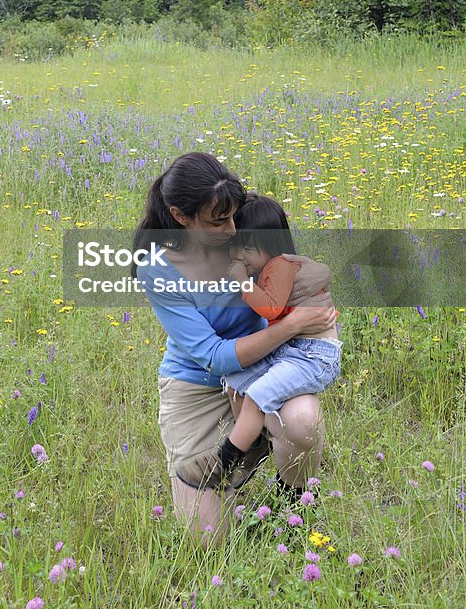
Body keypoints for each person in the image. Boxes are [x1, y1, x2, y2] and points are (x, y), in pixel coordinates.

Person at [134, 152, 337, 543]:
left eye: (233, 214)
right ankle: (244, 451)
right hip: (198, 384)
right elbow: (213, 357)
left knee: (303, 421)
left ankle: (291, 507)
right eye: (217, 221)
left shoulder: (242, 223)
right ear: (180, 216)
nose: (232, 229)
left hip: (265, 363)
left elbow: (301, 270)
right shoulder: (158, 267)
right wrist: (292, 325)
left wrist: (315, 303)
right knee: (209, 540)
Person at [175, 193, 341, 490]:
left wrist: (242, 280)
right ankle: (253, 444)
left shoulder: (278, 266)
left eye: (247, 250)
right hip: (288, 349)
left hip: (312, 355)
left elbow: (270, 309)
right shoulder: (268, 264)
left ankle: (225, 460)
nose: (240, 257)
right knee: (236, 377)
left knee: (257, 396)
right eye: (237, 248)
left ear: (270, 246)